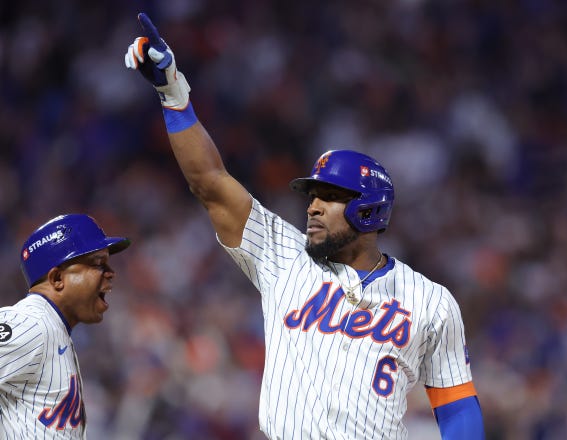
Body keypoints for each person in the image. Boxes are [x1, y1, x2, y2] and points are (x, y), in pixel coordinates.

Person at [125, 12, 485, 439]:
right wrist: (172, 93)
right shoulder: (283, 256)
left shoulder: (431, 301)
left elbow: (457, 407)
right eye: (311, 196)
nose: (312, 207)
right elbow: (211, 184)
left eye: (329, 197)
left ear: (369, 210)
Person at [0, 214, 130, 438]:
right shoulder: (32, 324)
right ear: (57, 278)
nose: (111, 273)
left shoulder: (54, 329)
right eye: (98, 264)